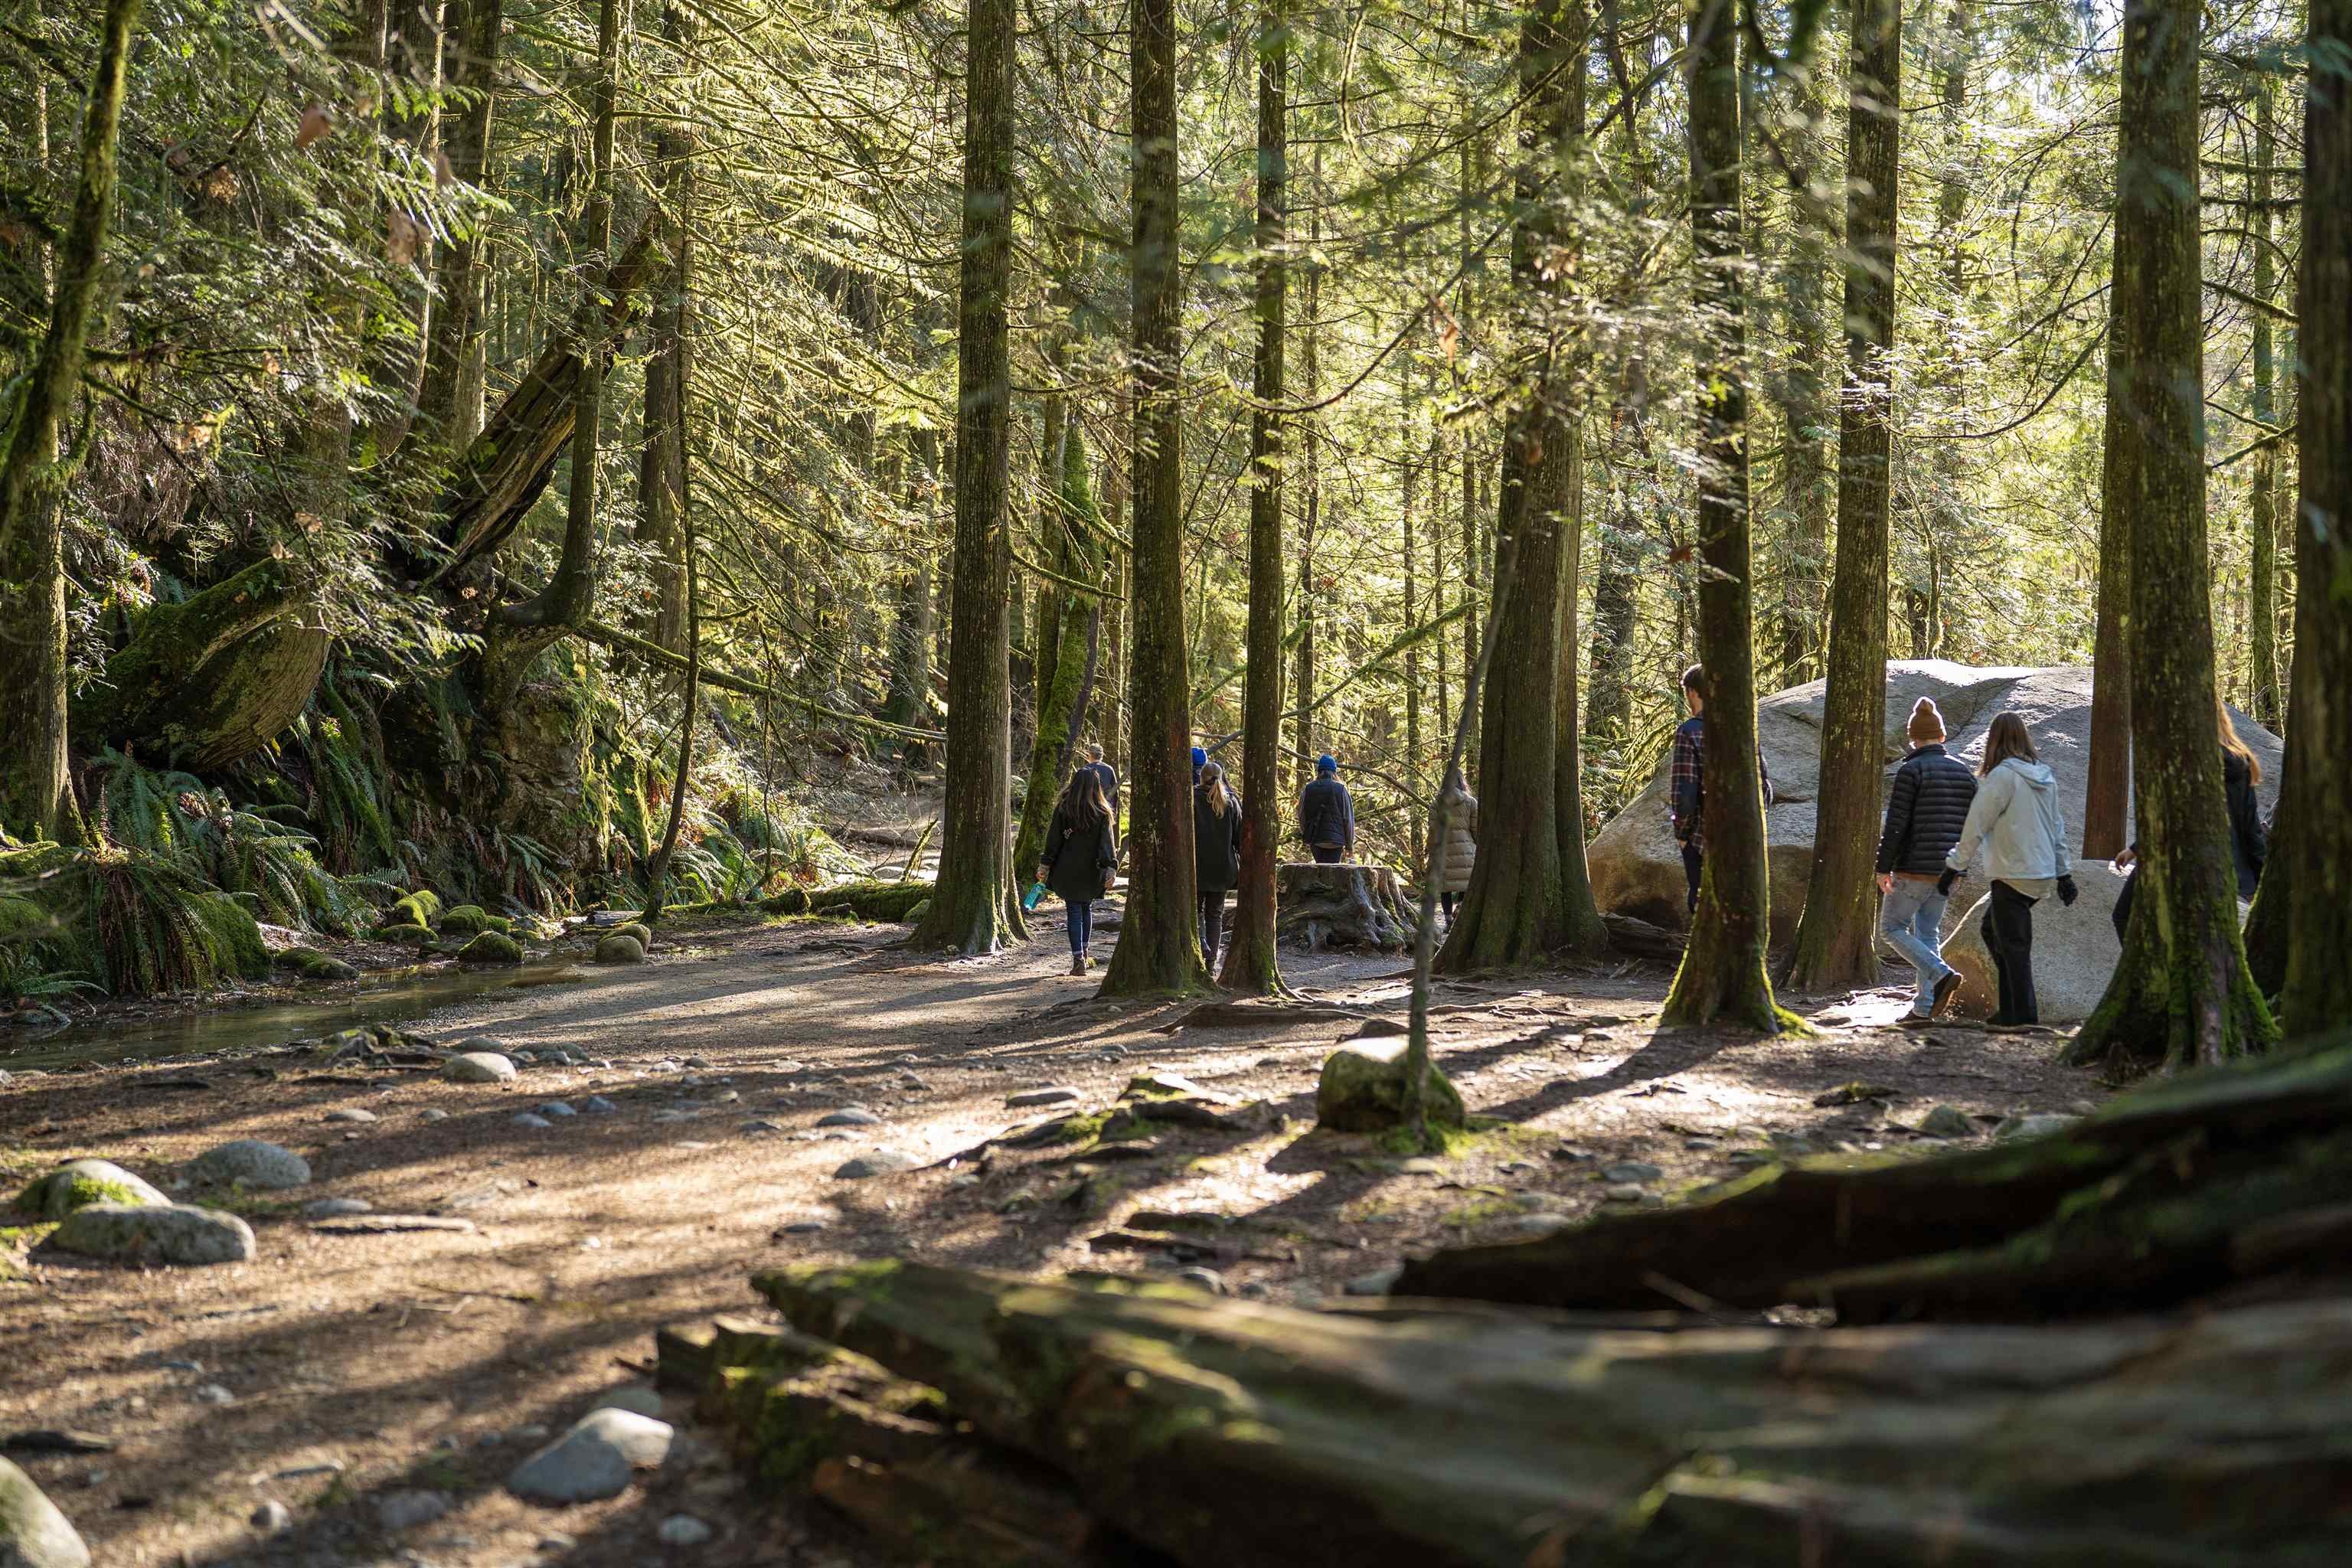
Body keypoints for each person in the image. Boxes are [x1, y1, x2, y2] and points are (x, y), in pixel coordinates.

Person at [1939, 711, 2077, 1028]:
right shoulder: (2043, 776)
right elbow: (2056, 827)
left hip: (2013, 873)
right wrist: (2063, 874)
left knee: (2014, 946)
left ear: (1994, 741)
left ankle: (2023, 1017)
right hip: (2039, 873)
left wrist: (1954, 866)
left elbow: (1976, 824)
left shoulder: (2002, 777)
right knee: (1993, 931)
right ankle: (2010, 1010)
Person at [2109, 696, 2269, 941]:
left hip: (2171, 857)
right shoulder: (2240, 761)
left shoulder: (2183, 758)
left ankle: (2154, 966)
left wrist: (2138, 849)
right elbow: (2250, 828)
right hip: (2220, 866)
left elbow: (2171, 815)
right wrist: (2259, 880)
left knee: (2125, 916)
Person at [1874, 697, 1978, 1025]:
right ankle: (1923, 1009)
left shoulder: (1911, 771)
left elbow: (1896, 825)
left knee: (1892, 929)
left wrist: (1882, 867)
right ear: (1942, 736)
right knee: (1927, 934)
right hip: (1948, 871)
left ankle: (1941, 973)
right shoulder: (1964, 773)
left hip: (1913, 869)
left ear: (1912, 739)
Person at [1667, 663, 1775, 913]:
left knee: (1703, 906)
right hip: (1743, 840)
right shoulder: (1742, 730)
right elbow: (1764, 785)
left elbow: (1684, 794)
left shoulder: (1689, 732)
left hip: (1703, 840)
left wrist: (1682, 837)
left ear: (1693, 692)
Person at [1039, 766, 1119, 976]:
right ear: (1096, 786)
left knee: (1074, 910)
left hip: (1067, 869)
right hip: (1092, 870)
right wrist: (1111, 867)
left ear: (1074, 784)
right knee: (1086, 909)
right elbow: (1107, 843)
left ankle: (1078, 960)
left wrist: (1045, 864)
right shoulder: (1102, 811)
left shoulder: (1064, 808)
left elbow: (1053, 840)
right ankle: (1084, 952)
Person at [1193, 760, 1243, 966]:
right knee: (1215, 915)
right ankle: (1211, 961)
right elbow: (1240, 838)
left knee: (1195, 910)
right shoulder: (1231, 802)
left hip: (1196, 867)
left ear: (1201, 777)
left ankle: (1200, 944)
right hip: (1223, 868)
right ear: (1221, 777)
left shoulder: (1191, 799)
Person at [1436, 767, 1477, 924]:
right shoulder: (1471, 802)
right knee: (1465, 884)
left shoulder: (1437, 802)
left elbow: (1433, 829)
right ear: (1462, 781)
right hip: (1466, 850)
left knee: (1445, 888)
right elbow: (1475, 829)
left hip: (1444, 850)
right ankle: (1459, 909)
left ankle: (1448, 922)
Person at [1298, 754, 1354, 864]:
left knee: (1319, 868)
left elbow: (1301, 815)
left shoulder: (1308, 789)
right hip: (1336, 842)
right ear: (1334, 772)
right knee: (1332, 870)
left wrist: (1307, 833)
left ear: (1319, 771)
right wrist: (1349, 845)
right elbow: (1348, 819)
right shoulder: (1341, 789)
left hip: (1316, 839)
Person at [1083, 743, 1120, 818]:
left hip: (1089, 809)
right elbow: (1115, 792)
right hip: (1106, 808)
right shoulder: (1109, 769)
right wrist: (1114, 811)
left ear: (1090, 755)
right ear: (1102, 755)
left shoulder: (1085, 769)